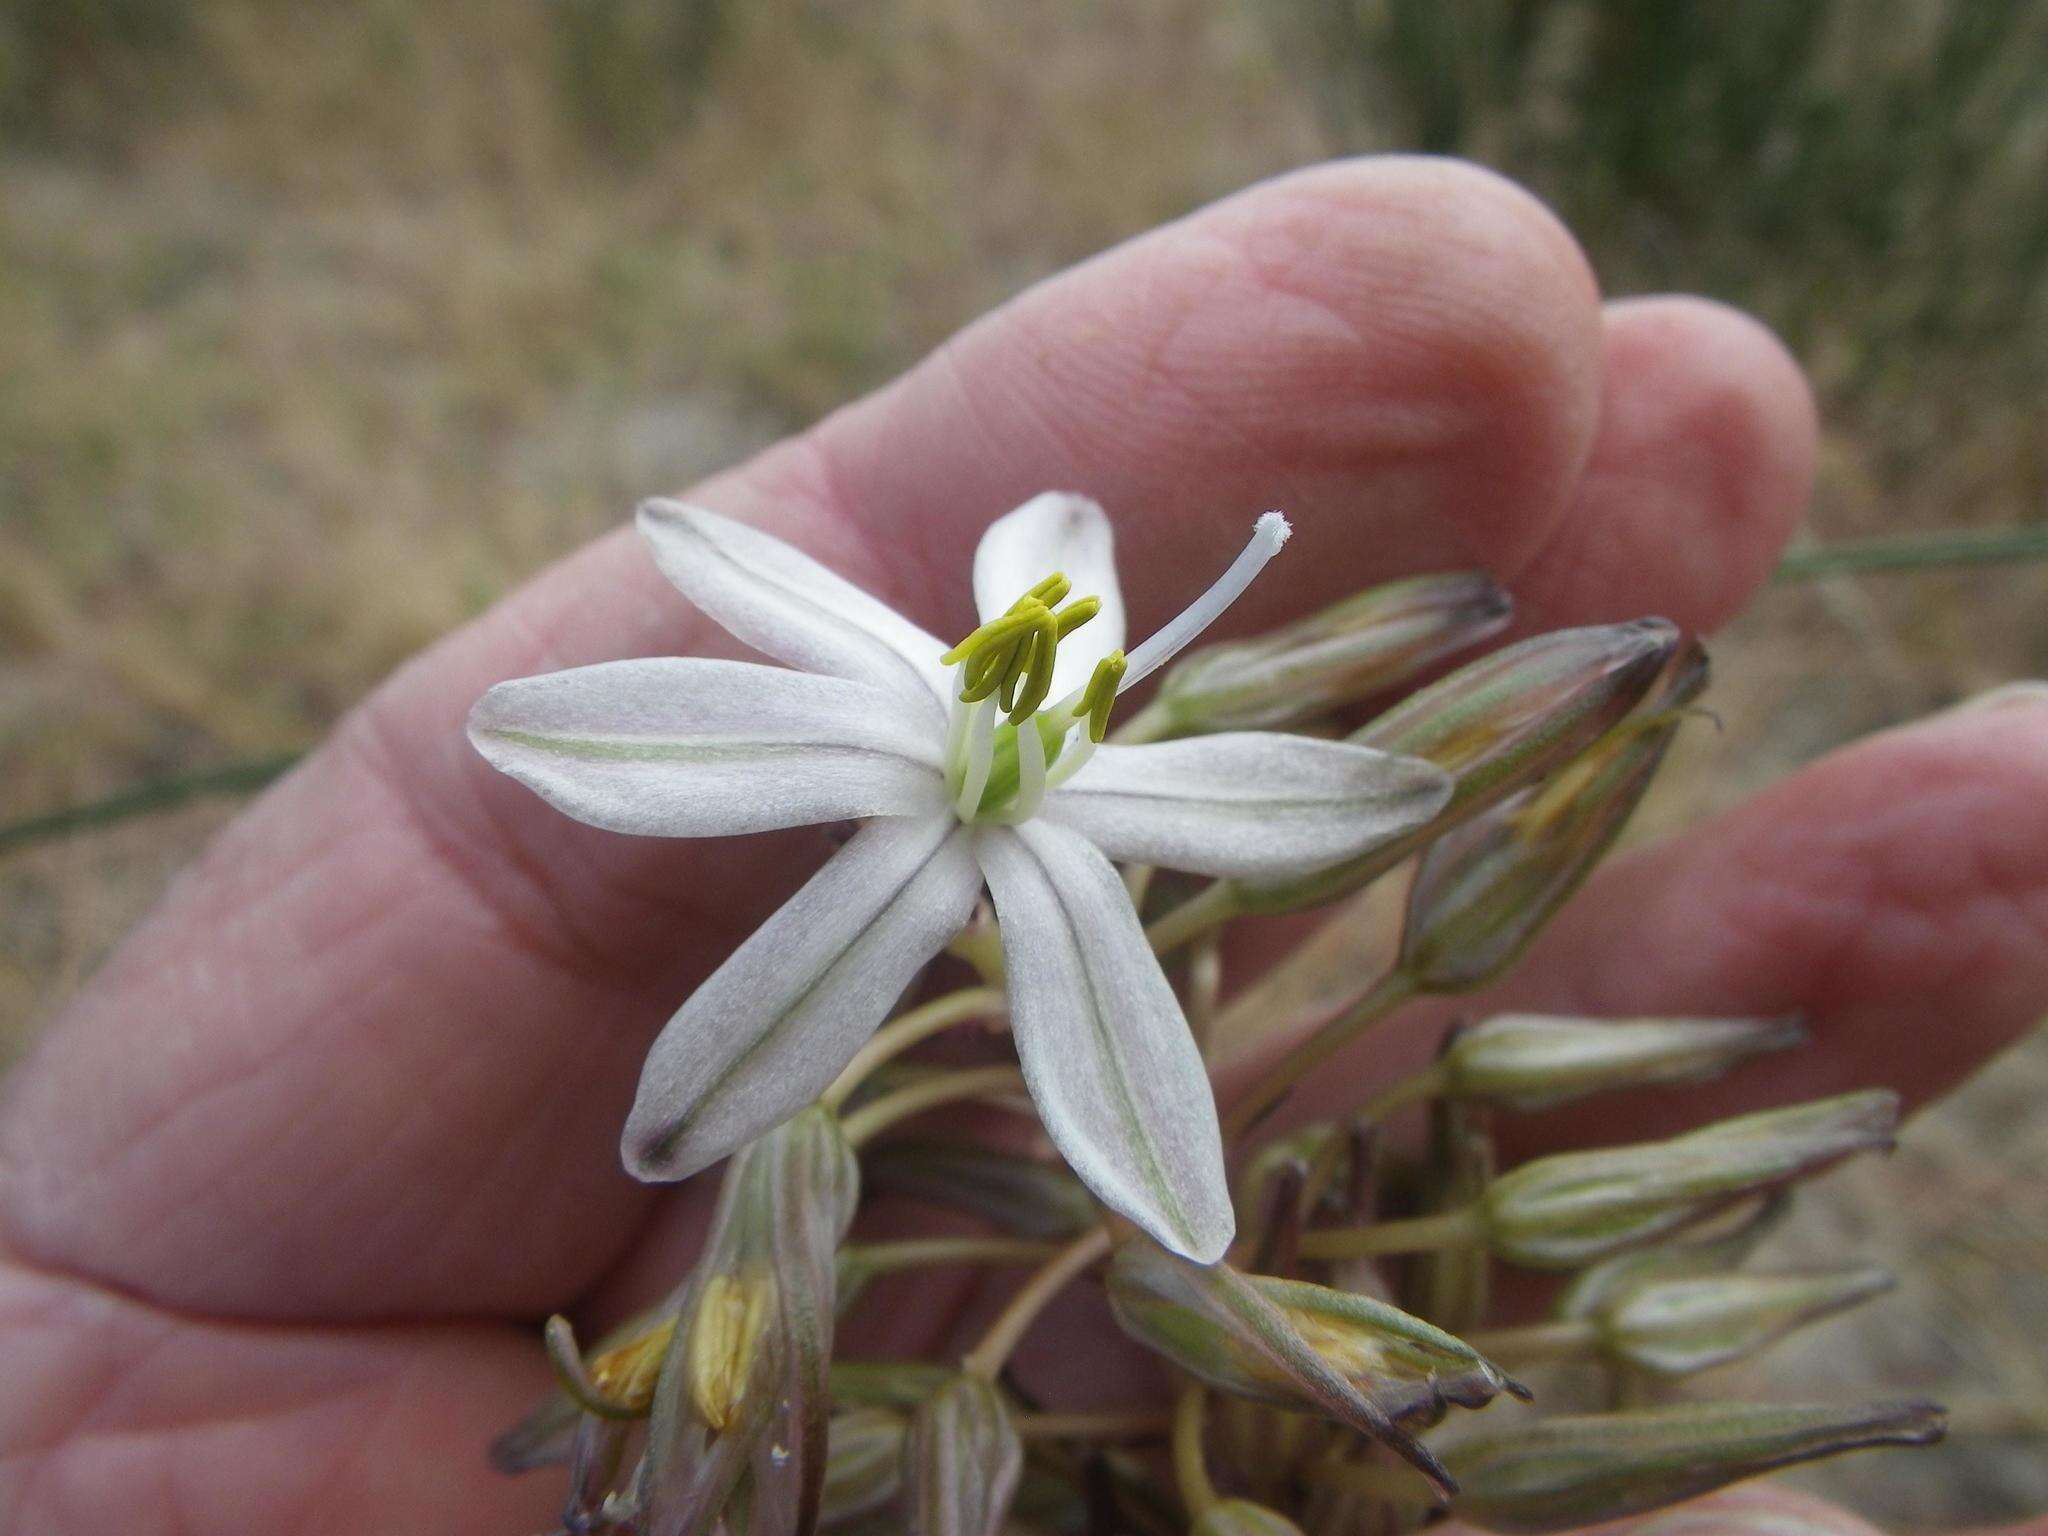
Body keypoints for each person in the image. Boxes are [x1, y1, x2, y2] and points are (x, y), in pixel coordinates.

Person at [2, 157, 2044, 1535]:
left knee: (1177, 1179)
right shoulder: (870, 706)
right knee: (856, 1143)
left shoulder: (1116, 818)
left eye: (1041, 690)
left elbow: (1201, 1086)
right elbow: (616, 796)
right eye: (1007, 683)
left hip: (1085, 906)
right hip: (957, 936)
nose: (1022, 697)